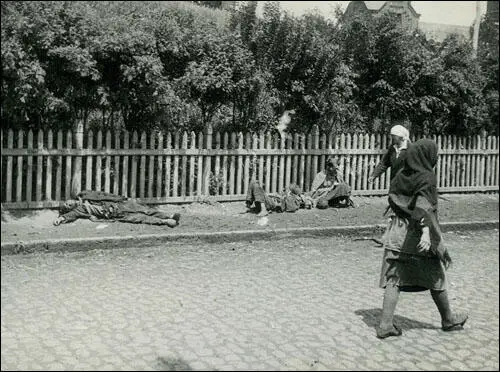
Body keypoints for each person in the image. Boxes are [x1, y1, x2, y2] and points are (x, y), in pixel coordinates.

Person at [376, 138, 468, 339]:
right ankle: (448, 320)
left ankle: (385, 325)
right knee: (436, 276)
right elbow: (423, 205)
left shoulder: (401, 174)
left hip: (396, 232)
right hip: (417, 234)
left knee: (394, 278)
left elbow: (394, 198)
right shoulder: (427, 177)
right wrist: (426, 232)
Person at [53, 190, 181, 227]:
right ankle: (165, 222)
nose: (69, 204)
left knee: (145, 209)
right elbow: (70, 216)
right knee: (140, 218)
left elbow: (103, 195)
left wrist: (120, 198)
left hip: (120, 204)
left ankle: (168, 216)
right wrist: (61, 219)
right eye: (67, 206)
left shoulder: (85, 194)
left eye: (67, 202)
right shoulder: (80, 210)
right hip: (115, 214)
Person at [245, 181, 313, 217]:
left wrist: (287, 197)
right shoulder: (286, 194)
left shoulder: (296, 198)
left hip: (271, 205)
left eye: (297, 187)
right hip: (267, 202)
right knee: (253, 182)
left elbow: (291, 208)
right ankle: (248, 205)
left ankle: (263, 210)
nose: (298, 187)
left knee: (256, 185)